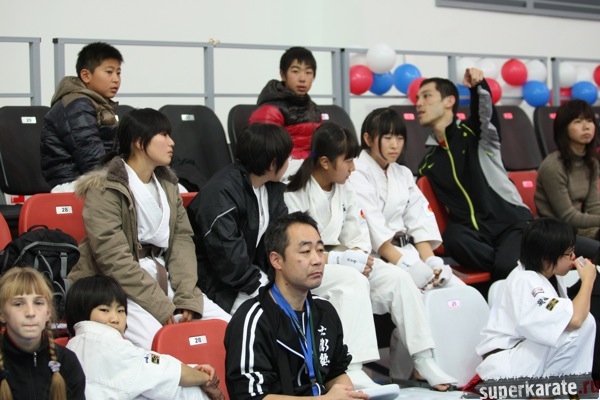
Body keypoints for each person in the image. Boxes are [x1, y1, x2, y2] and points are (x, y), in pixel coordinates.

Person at [188, 123, 380, 389]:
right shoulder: (220, 193)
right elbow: (230, 262)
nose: (292, 163)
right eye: (287, 158)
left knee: (340, 288)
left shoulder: (272, 188)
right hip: (223, 287)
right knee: (274, 320)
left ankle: (346, 372)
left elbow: (277, 242)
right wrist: (271, 290)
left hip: (262, 276)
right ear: (272, 163)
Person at [285, 122, 457, 391]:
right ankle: (352, 368)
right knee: (352, 280)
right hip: (307, 267)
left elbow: (357, 238)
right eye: (348, 160)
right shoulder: (294, 192)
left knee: (398, 278)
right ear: (326, 162)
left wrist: (356, 258)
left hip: (342, 260)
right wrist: (343, 260)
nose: (353, 167)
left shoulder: (345, 188)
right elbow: (299, 250)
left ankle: (423, 359)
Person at [68, 108, 230, 351]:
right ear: (138, 142)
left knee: (229, 329)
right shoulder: (105, 188)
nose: (171, 142)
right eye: (163, 135)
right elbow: (113, 259)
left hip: (165, 276)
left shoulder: (168, 185)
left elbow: (182, 240)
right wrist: (161, 305)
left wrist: (186, 296)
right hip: (119, 289)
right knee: (164, 345)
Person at [224, 211, 370, 400]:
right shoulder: (252, 320)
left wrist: (348, 394)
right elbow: (250, 397)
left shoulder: (325, 311)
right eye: (305, 252)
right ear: (276, 260)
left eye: (320, 250)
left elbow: (336, 372)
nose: (317, 260)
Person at [416, 68, 533, 281]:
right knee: (453, 237)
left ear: (449, 101)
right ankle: (521, 264)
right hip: (475, 236)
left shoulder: (476, 134)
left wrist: (478, 87)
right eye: (417, 98)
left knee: (505, 266)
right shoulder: (428, 163)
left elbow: (484, 115)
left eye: (426, 96)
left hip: (510, 224)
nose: (419, 103)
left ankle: (512, 266)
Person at [347, 107, 463, 290]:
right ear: (368, 139)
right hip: (376, 258)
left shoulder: (403, 173)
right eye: (387, 138)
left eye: (400, 138)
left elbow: (419, 220)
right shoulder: (355, 172)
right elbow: (374, 230)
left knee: (458, 289)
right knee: (420, 293)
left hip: (408, 253)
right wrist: (407, 266)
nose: (395, 145)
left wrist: (432, 262)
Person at [65, 275, 224, 400]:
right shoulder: (104, 343)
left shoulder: (72, 347)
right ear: (81, 311)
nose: (115, 318)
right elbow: (164, 370)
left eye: (120, 311)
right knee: (185, 389)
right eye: (104, 310)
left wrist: (193, 369)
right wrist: (204, 378)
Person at [476, 217, 596, 379]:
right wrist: (588, 280)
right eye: (568, 253)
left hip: (526, 357)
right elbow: (575, 320)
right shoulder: (525, 280)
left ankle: (566, 389)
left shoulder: (551, 275)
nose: (573, 257)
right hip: (507, 364)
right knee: (580, 325)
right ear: (546, 259)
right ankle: (551, 392)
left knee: (584, 323)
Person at [41, 41, 124, 193]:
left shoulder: (96, 103)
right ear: (86, 75)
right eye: (109, 72)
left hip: (92, 180)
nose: (116, 79)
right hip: (73, 184)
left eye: (118, 73)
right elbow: (93, 160)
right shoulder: (78, 105)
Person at [0, 267, 85, 399]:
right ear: (2, 314)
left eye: (38, 303)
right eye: (18, 304)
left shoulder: (67, 362)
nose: (30, 313)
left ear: (48, 312)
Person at [535, 99, 600, 259]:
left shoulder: (591, 163)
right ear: (564, 128)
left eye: (589, 121)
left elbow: (594, 206)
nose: (586, 127)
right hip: (557, 234)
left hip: (581, 230)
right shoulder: (553, 166)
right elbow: (567, 217)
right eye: (578, 121)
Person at [248, 46, 323, 179]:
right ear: (283, 75)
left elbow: (318, 147)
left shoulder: (314, 110)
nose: (302, 78)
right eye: (295, 71)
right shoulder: (270, 110)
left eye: (308, 72)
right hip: (281, 172)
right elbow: (265, 154)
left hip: (308, 168)